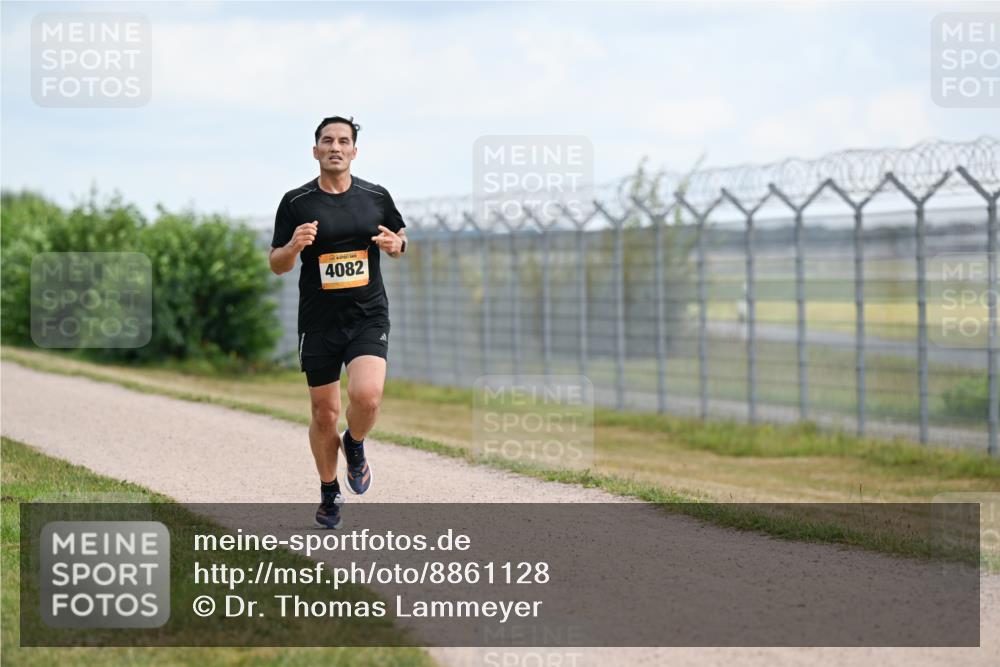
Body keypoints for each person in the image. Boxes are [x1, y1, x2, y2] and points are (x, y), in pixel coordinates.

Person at [269, 115, 407, 529]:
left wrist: (396, 245)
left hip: (367, 315)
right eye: (327, 140)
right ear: (315, 150)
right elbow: (277, 264)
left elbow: (400, 239)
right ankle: (329, 491)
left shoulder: (375, 196)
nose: (335, 147)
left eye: (343, 141)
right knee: (324, 413)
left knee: (367, 397)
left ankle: (356, 442)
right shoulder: (296, 202)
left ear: (353, 151)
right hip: (319, 322)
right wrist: (293, 246)